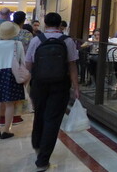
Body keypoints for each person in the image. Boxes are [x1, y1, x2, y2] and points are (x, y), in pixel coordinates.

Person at [26, 12, 79, 171]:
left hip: (39, 83)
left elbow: (28, 64)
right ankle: (43, 160)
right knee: (53, 120)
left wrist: (27, 85)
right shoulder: (67, 41)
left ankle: (37, 144)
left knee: (39, 114)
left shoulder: (37, 40)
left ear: (45, 23)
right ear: (60, 24)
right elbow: (72, 66)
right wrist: (76, 87)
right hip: (60, 84)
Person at [0, 22, 25, 140]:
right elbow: (22, 62)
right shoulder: (18, 44)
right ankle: (6, 130)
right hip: (11, 75)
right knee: (10, 104)